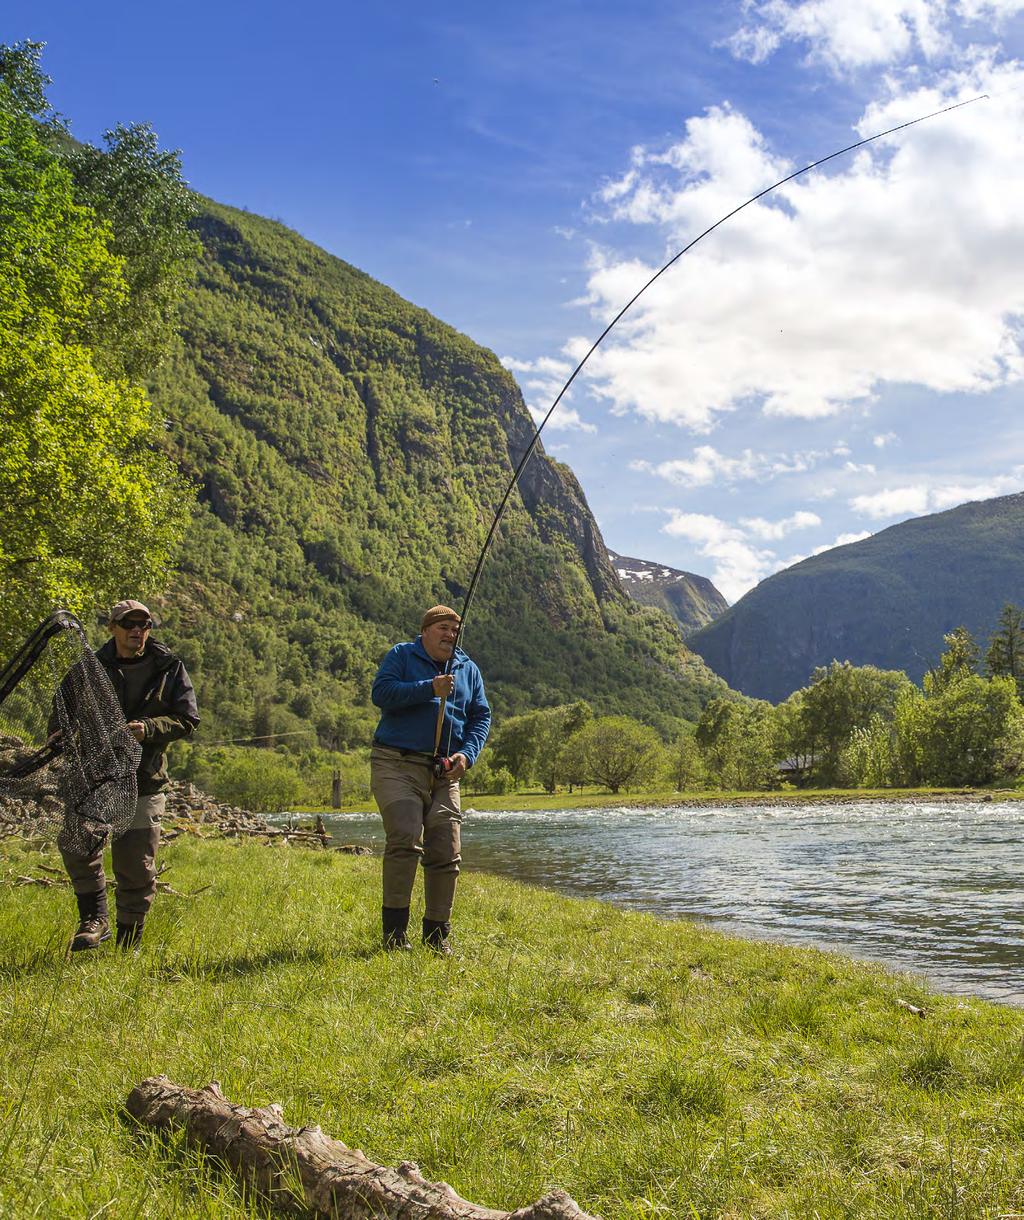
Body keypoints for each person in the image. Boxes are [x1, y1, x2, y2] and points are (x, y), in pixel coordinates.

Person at [61, 600, 199, 951]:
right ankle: (94, 921)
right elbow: (63, 710)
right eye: (129, 624)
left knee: (137, 865)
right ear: (112, 628)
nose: (137, 630)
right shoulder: (89, 667)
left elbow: (187, 719)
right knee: (78, 846)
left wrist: (149, 729)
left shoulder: (169, 667)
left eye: (144, 624)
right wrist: (57, 741)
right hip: (94, 777)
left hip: (144, 778)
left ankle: (128, 944)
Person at [370, 605, 490, 954]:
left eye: (455, 630)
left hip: (444, 771)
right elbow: (382, 693)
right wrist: (429, 688)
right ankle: (394, 937)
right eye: (442, 628)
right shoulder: (402, 655)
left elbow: (480, 717)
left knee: (447, 851)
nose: (450, 635)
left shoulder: (468, 669)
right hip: (396, 763)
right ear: (425, 630)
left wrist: (466, 755)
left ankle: (437, 939)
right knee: (406, 836)